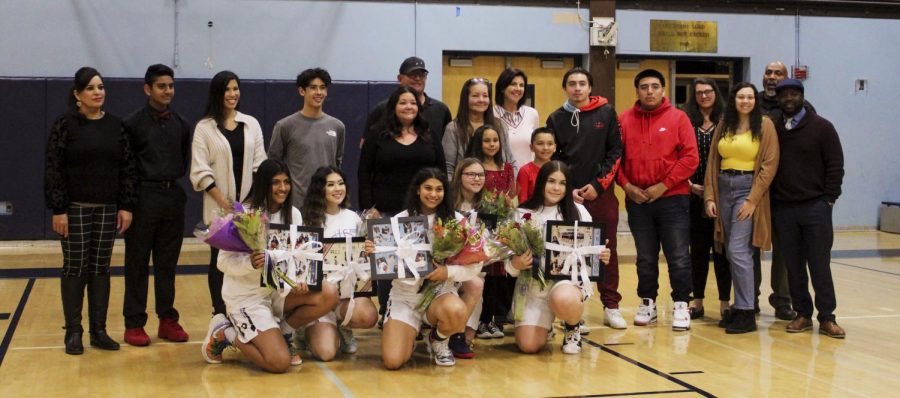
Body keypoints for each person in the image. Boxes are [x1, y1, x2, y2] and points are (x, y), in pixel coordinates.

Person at [201, 159, 339, 372]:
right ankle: (224, 332)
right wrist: (250, 263)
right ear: (264, 184)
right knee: (278, 363)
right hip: (247, 299)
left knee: (329, 292)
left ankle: (283, 332)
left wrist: (300, 280)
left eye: (286, 182)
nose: (282, 188)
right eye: (276, 182)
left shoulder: (293, 214)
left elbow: (297, 256)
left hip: (276, 293)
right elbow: (222, 263)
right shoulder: (243, 214)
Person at [44, 66, 137, 355]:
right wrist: (58, 209)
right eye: (91, 88)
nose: (98, 92)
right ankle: (73, 331)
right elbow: (54, 169)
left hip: (107, 208)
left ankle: (99, 331)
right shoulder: (65, 125)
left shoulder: (116, 126)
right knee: (75, 267)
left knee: (100, 268)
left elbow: (127, 168)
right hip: (74, 209)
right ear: (77, 94)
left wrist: (126, 206)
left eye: (101, 87)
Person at [365, 168, 478, 369]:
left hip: (439, 294)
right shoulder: (399, 220)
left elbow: (475, 265)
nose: (433, 194)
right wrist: (375, 251)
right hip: (406, 297)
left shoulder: (457, 221)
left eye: (439, 189)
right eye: (428, 188)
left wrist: (447, 272)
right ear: (418, 190)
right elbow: (386, 265)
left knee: (456, 310)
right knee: (393, 361)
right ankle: (411, 328)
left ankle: (439, 339)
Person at [617, 69, 698, 331]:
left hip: (672, 200)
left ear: (663, 90)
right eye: (644, 87)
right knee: (645, 257)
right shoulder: (624, 120)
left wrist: (663, 186)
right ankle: (648, 303)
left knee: (677, 256)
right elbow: (614, 159)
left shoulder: (679, 118)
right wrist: (627, 186)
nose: (649, 91)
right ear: (637, 91)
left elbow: (690, 159)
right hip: (638, 201)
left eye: (654, 86)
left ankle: (681, 304)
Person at [358, 85, 446, 323]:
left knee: (421, 263)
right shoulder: (378, 134)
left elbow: (440, 171)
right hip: (386, 210)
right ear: (393, 107)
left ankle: (422, 314)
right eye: (403, 103)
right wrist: (369, 208)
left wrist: (441, 205)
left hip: (423, 211)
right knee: (389, 267)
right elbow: (364, 172)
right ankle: (391, 314)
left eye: (413, 103)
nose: (409, 107)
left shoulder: (429, 135)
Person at [546, 67, 625, 331]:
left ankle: (611, 305)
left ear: (590, 88)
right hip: (567, 197)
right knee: (567, 250)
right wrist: (566, 189)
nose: (577, 88)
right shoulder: (556, 118)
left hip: (600, 195)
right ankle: (572, 311)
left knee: (605, 251)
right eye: (572, 84)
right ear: (565, 88)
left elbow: (615, 152)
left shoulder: (607, 113)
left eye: (582, 83)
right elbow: (553, 158)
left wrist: (597, 185)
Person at [508, 161, 611, 355]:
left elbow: (591, 252)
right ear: (541, 183)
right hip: (533, 288)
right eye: (551, 181)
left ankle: (572, 327)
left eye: (562, 183)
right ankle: (545, 326)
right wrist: (515, 264)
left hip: (566, 285)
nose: (556, 188)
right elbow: (509, 262)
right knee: (528, 346)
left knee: (563, 298)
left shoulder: (579, 211)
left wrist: (601, 255)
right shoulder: (522, 213)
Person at [121, 64, 192, 346]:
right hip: (142, 198)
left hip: (172, 197)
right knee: (137, 263)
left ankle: (167, 319)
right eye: (162, 86)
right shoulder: (132, 124)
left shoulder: (182, 124)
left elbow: (183, 161)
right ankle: (134, 322)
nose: (168, 91)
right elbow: (125, 168)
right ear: (147, 89)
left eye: (171, 86)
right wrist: (126, 204)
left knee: (167, 263)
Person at [769, 79, 846, 338]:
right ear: (778, 99)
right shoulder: (774, 128)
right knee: (793, 265)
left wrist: (829, 200)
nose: (788, 98)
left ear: (802, 96)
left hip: (815, 207)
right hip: (784, 208)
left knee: (819, 264)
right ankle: (803, 313)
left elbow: (835, 165)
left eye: (793, 94)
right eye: (783, 95)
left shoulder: (822, 127)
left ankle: (827, 317)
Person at [703, 82, 780, 334]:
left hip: (748, 188)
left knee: (738, 250)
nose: (745, 101)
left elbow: (769, 166)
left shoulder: (765, 125)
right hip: (724, 185)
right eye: (740, 97)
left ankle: (747, 310)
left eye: (749, 97)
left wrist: (752, 200)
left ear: (755, 101)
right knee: (728, 250)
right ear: (733, 99)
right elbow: (713, 161)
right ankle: (739, 306)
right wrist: (710, 197)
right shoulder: (725, 123)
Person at [190, 70, 267, 318]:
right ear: (217, 93)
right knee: (219, 261)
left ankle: (246, 309)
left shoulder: (251, 123)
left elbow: (260, 164)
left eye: (236, 89)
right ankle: (220, 312)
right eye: (227, 89)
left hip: (249, 207)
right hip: (218, 209)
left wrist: (248, 205)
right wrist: (227, 205)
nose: (232, 94)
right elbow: (200, 171)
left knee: (249, 259)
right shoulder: (204, 128)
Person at [299, 166, 378, 360]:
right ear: (320, 189)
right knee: (326, 354)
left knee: (368, 315)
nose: (337, 189)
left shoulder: (353, 218)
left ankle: (344, 326)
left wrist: (369, 250)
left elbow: (362, 258)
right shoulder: (308, 220)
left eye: (341, 183)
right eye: (331, 185)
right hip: (320, 298)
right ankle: (303, 330)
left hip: (346, 295)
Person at [758, 60, 813, 321]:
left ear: (787, 78)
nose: (772, 77)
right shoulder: (749, 102)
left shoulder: (803, 109)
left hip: (786, 192)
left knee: (787, 249)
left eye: (777, 73)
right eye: (768, 73)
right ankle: (749, 299)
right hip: (755, 188)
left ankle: (782, 300)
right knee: (749, 245)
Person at [682, 78, 732, 320]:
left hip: (721, 196)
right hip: (691, 195)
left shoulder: (728, 121)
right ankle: (697, 301)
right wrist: (690, 185)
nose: (704, 96)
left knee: (721, 251)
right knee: (697, 251)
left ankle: (725, 303)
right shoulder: (687, 121)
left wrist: (713, 190)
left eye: (708, 91)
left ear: (716, 93)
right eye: (699, 92)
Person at [464, 124, 516, 339]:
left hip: (501, 226)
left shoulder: (506, 167)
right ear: (478, 142)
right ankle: (482, 320)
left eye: (495, 140)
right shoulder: (473, 167)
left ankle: (496, 319)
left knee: (500, 274)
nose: (492, 144)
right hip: (479, 226)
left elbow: (511, 195)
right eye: (487, 140)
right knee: (483, 274)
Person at [268, 68, 345, 208]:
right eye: (313, 88)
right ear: (302, 91)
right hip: (296, 205)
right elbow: (274, 167)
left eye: (322, 88)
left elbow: (337, 162)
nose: (319, 92)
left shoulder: (337, 126)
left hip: (326, 204)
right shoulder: (284, 126)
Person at [361, 56, 451, 147]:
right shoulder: (382, 109)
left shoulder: (441, 110)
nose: (418, 78)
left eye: (422, 75)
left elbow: (447, 147)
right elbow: (365, 146)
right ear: (400, 78)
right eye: (413, 75)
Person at [442, 77, 515, 178]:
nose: (481, 100)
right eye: (475, 96)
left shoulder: (500, 126)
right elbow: (448, 168)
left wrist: (509, 189)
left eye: (485, 96)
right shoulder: (453, 128)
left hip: (499, 191)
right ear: (465, 98)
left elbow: (511, 161)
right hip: (464, 191)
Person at [493, 67, 540, 172]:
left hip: (528, 178)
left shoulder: (532, 113)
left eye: (521, 85)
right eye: (513, 84)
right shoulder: (491, 115)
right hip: (501, 179)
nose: (518, 88)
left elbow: (536, 147)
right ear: (502, 87)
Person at [517, 127, 557, 203]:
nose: (545, 148)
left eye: (550, 144)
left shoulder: (559, 170)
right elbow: (522, 201)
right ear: (531, 147)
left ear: (555, 147)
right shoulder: (525, 171)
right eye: (540, 143)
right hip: (533, 213)